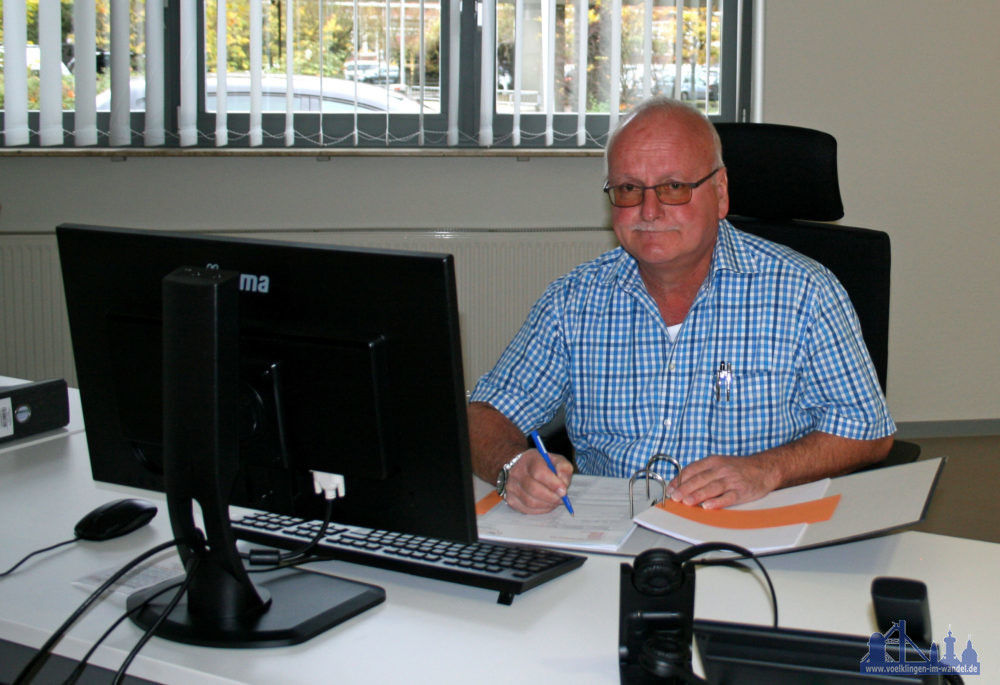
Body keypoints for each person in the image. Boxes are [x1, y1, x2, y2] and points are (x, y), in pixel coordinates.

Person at [468, 97, 895, 515]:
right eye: (629, 189)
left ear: (721, 193)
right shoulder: (572, 302)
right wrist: (513, 467)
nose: (649, 211)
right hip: (610, 536)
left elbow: (868, 431)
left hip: (749, 535)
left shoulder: (805, 293)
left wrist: (767, 469)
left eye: (674, 187)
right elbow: (482, 416)